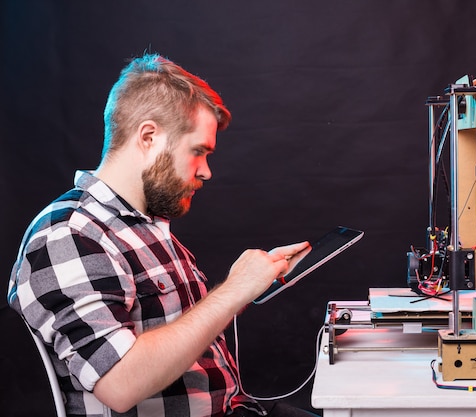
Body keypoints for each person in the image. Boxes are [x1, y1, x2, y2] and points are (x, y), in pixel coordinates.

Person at [7, 53, 315, 417]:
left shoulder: (144, 225)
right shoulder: (68, 234)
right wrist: (233, 290)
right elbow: (120, 383)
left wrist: (252, 284)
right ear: (149, 137)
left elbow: (184, 330)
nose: (206, 172)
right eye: (198, 152)